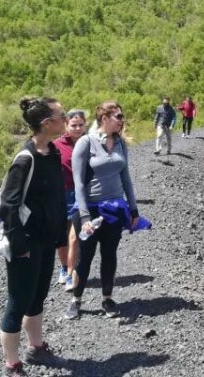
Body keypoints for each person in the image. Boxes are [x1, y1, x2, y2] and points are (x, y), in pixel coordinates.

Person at [0, 97, 67, 376]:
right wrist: (19, 245)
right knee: (18, 302)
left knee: (38, 296)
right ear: (46, 123)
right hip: (25, 242)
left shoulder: (52, 153)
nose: (65, 119)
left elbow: (55, 199)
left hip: (45, 239)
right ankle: (12, 364)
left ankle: (36, 347)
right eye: (61, 116)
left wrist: (60, 236)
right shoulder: (25, 159)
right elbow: (8, 205)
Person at [65, 101, 140, 320]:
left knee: (109, 255)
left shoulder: (120, 144)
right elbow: (78, 183)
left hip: (115, 209)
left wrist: (133, 210)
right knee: (85, 257)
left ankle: (107, 298)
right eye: (118, 116)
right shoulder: (86, 143)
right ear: (104, 118)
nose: (121, 120)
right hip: (90, 209)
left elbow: (126, 178)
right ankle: (76, 300)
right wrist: (85, 215)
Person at [52, 109, 87, 291]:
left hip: (82, 194)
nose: (77, 128)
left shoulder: (90, 142)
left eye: (81, 124)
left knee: (75, 236)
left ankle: (73, 270)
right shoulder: (56, 145)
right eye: (74, 125)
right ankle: (64, 267)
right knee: (61, 236)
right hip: (61, 194)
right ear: (66, 124)